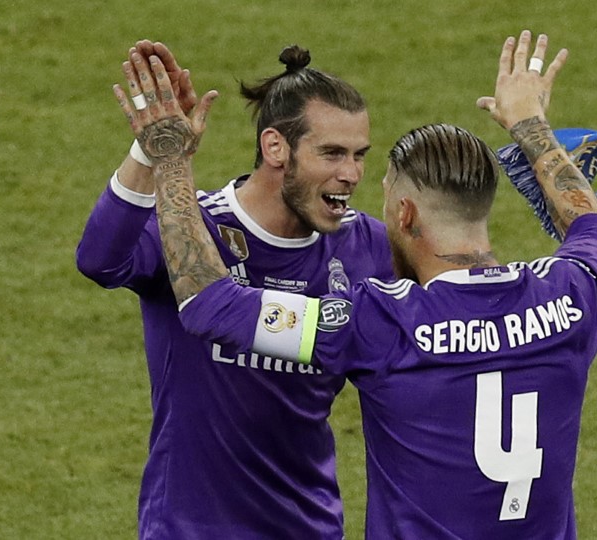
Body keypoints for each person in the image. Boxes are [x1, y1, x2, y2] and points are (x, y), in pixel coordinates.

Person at [130, 30, 597, 538]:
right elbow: (590, 226)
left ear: (406, 212)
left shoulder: (377, 321)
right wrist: (530, 125)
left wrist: (171, 158)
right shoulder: (574, 292)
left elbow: (209, 304)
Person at [76, 41, 394, 539]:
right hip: (187, 529)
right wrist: (150, 151)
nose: (351, 174)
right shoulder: (192, 232)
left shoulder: (370, 247)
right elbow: (100, 260)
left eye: (358, 155)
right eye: (332, 153)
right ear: (275, 148)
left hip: (308, 528)